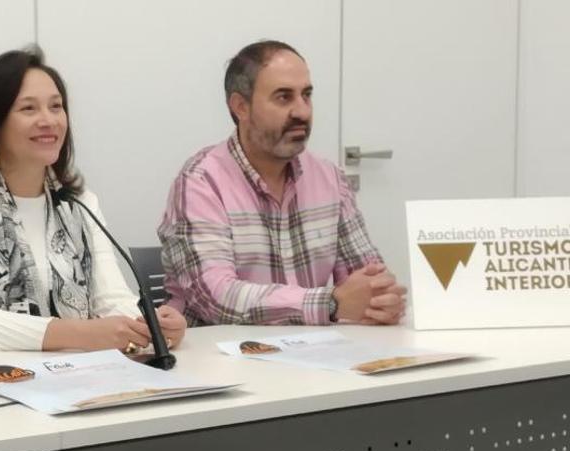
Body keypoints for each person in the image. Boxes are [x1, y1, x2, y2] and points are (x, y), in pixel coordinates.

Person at [0, 47, 186, 353]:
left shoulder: (78, 202)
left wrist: (151, 324)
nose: (49, 120)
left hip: (68, 376)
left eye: (56, 107)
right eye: (29, 109)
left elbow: (111, 300)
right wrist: (85, 334)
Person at [157, 40, 406, 327]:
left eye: (307, 95)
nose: (302, 111)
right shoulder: (200, 182)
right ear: (241, 107)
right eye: (284, 98)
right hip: (220, 358)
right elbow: (216, 298)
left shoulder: (329, 177)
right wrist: (331, 304)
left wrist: (380, 301)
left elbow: (367, 280)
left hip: (315, 353)